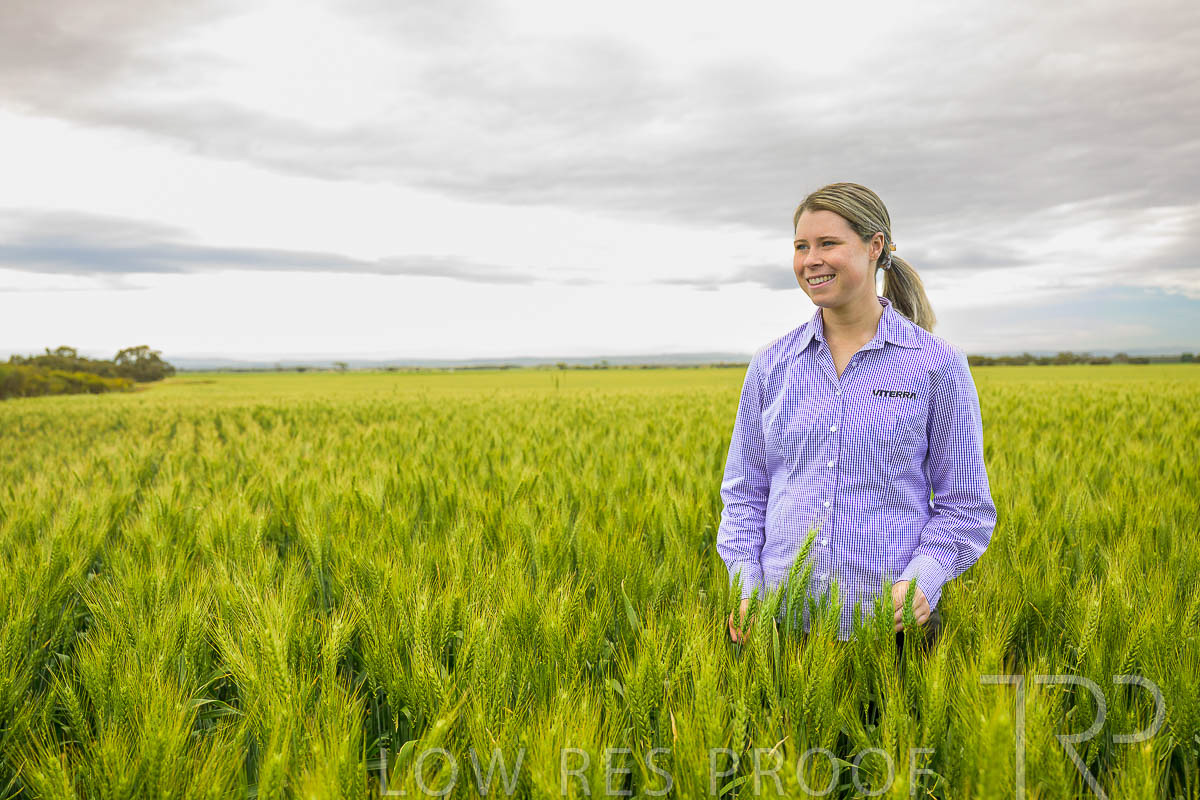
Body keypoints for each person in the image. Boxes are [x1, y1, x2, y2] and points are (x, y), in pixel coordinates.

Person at [717, 182, 996, 646]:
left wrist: (924, 580)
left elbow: (966, 505)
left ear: (875, 246)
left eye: (828, 243)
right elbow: (745, 495)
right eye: (801, 247)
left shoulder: (937, 364)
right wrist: (746, 588)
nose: (811, 260)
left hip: (893, 628)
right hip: (779, 629)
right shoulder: (771, 364)